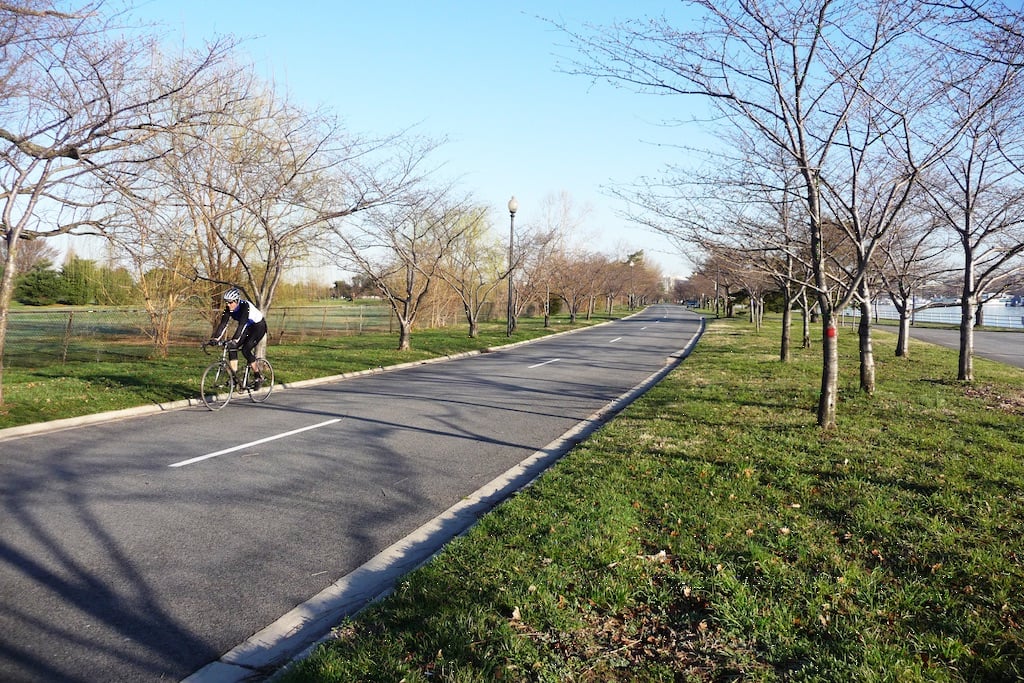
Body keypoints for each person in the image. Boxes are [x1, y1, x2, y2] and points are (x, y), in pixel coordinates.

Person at [209, 288, 268, 388]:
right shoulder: (228, 309)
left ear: (236, 301)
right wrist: (215, 339)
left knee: (246, 350)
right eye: (226, 302)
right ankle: (234, 377)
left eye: (230, 302)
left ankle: (258, 376)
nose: (228, 305)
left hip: (258, 327)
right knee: (232, 348)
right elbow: (223, 324)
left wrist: (235, 339)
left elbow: (242, 324)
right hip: (248, 327)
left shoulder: (245, 306)